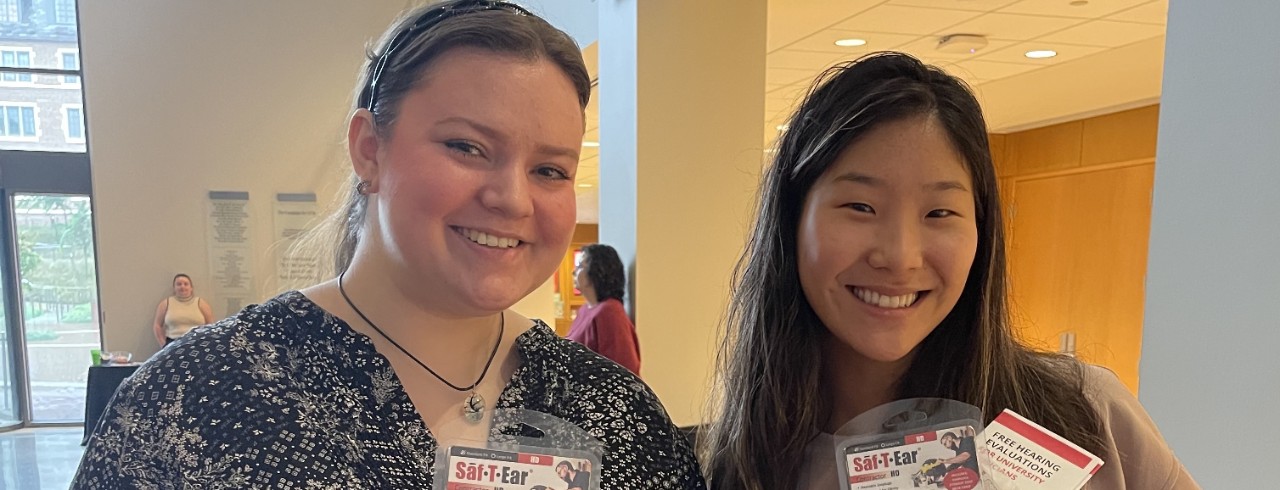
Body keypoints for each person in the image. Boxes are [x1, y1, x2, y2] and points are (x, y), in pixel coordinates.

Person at [73, 2, 704, 488]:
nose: (512, 199)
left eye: (551, 170)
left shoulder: (616, 416)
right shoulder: (201, 396)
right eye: (466, 147)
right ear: (368, 149)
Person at [700, 52, 1197, 489]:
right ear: (792, 221)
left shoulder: (1087, 415)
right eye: (859, 206)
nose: (900, 256)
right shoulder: (739, 462)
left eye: (940, 213)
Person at [566, 243, 641, 374]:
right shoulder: (585, 310)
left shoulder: (609, 312)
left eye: (580, 267)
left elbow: (624, 368)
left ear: (596, 271)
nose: (574, 272)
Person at [150, 273, 214, 346]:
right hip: (173, 344)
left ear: (191, 288)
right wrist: (163, 345)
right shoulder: (165, 304)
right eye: (179, 284)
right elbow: (157, 325)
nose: (182, 287)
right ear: (174, 288)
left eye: (186, 284)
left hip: (198, 343)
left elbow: (211, 325)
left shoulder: (201, 303)